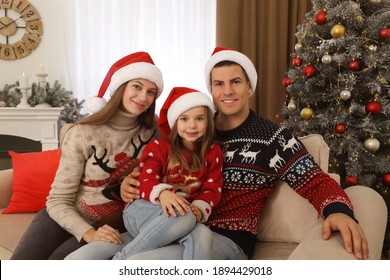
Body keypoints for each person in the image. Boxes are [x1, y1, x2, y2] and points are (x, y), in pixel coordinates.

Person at [67, 47, 369, 260]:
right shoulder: (193, 128)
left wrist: (338, 210)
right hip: (166, 224)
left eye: (235, 82)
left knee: (136, 266)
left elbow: (314, 180)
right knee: (83, 259)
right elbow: (150, 171)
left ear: (249, 87)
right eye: (218, 84)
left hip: (225, 239)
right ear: (210, 90)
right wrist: (124, 187)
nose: (227, 91)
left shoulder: (274, 137)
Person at [10, 51, 164, 260]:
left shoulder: (154, 130)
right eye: (137, 86)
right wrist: (88, 233)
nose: (143, 97)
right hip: (63, 216)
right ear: (121, 87)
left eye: (151, 91)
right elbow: (57, 200)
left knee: (59, 265)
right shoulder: (83, 132)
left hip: (113, 224)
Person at [112, 87, 223, 260]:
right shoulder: (159, 147)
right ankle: (120, 261)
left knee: (202, 234)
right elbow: (145, 180)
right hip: (141, 210)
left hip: (180, 216)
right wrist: (162, 194)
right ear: (175, 122)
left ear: (208, 121)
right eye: (184, 119)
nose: (192, 125)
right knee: (185, 216)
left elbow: (212, 187)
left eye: (199, 118)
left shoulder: (213, 152)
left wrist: (200, 209)